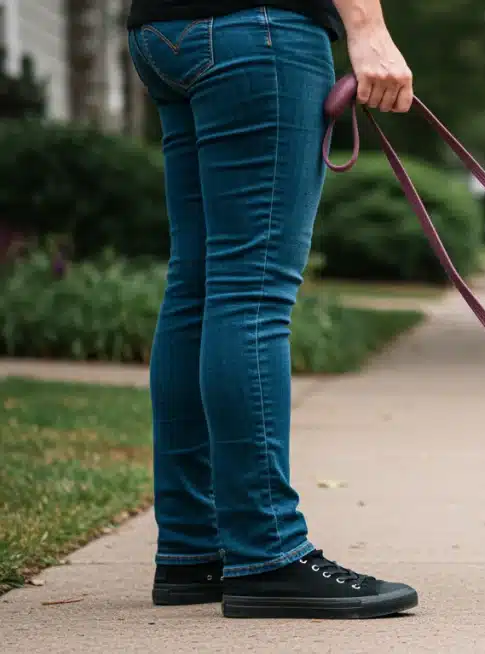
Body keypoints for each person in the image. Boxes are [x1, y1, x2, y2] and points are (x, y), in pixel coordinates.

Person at [125, 0, 416, 619]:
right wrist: (367, 27)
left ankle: (193, 548)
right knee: (250, 292)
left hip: (162, 30)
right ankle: (267, 553)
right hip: (257, 29)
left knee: (198, 286)